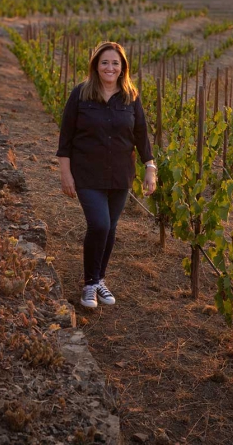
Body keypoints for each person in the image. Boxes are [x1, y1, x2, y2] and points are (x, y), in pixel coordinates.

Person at [57, 41, 156, 309]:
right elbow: (65, 138)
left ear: (123, 67)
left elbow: (141, 136)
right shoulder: (80, 95)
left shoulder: (130, 97)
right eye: (104, 62)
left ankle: (100, 279)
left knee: (110, 228)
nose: (109, 67)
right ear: (95, 66)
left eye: (115, 63)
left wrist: (150, 167)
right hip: (87, 174)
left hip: (120, 175)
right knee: (99, 224)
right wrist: (65, 174)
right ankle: (89, 283)